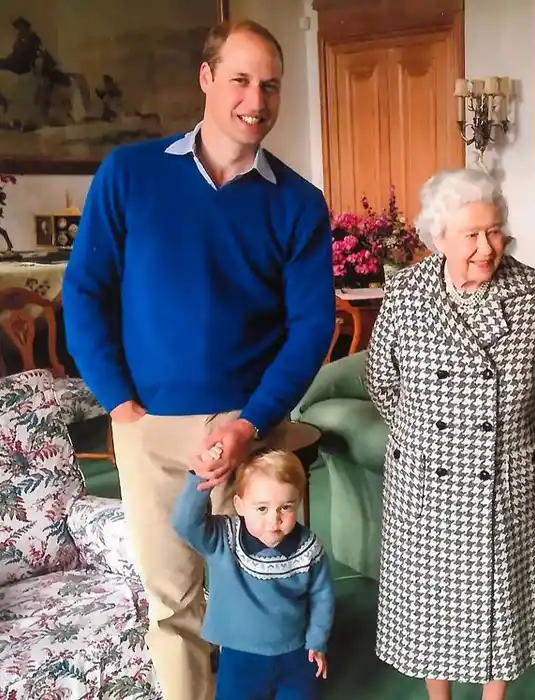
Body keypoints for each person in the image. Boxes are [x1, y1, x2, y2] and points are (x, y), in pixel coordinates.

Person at [61, 20, 334, 700]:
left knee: (263, 586)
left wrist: (252, 421)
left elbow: (311, 327)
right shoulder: (130, 174)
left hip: (251, 426)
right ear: (207, 79)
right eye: (240, 79)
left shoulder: (298, 202)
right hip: (149, 425)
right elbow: (85, 289)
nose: (257, 99)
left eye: (270, 85)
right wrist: (116, 398)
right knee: (173, 605)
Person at [365, 167, 535, 700]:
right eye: (472, 235)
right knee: (433, 604)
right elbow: (382, 382)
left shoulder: (533, 292)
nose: (486, 247)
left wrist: (510, 436)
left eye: (495, 230)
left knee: (498, 603)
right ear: (439, 239)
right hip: (425, 481)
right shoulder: (406, 291)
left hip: (506, 476)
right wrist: (424, 440)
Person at [172, 448, 335, 700]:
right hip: (240, 659)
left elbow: (322, 597)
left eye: (286, 507)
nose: (274, 520)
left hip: (296, 653)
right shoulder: (222, 538)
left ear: (299, 502)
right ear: (239, 504)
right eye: (262, 509)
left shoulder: (309, 547)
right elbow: (185, 522)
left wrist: (317, 640)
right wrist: (200, 477)